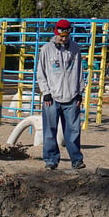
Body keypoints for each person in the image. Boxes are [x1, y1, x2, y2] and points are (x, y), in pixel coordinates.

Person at [37, 19, 86, 170]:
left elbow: (80, 72)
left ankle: (76, 160)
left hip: (71, 96)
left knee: (73, 131)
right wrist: (46, 92)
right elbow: (41, 73)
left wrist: (79, 92)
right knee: (50, 131)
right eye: (61, 37)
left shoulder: (75, 49)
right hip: (52, 96)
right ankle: (51, 160)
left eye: (66, 36)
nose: (64, 39)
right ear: (56, 34)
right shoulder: (46, 50)